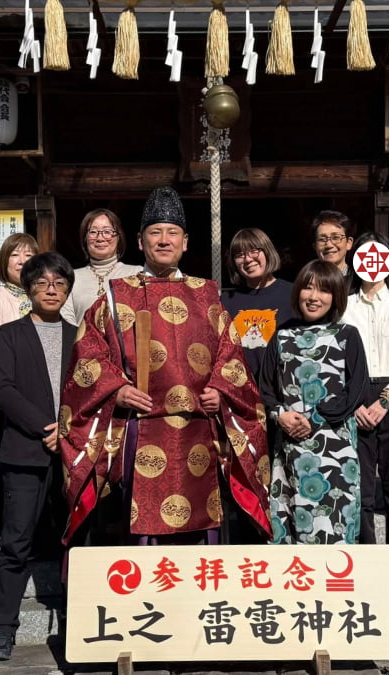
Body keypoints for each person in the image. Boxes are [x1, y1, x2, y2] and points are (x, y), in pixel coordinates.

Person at [58, 186, 271, 549]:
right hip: (141, 429)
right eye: (155, 232)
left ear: (185, 242)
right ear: (140, 242)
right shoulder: (115, 294)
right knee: (142, 525)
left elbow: (230, 353)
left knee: (204, 523)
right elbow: (89, 354)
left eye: (172, 233)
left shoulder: (206, 293)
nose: (163, 240)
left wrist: (220, 391)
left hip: (199, 428)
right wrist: (117, 389)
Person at [0, 252, 77, 661]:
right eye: (42, 283)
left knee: (78, 541)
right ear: (29, 288)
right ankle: (1, 629)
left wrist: (69, 432)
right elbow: (3, 389)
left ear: (68, 289)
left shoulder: (82, 336)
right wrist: (47, 428)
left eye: (59, 282)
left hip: (75, 453)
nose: (51, 289)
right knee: (15, 543)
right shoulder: (9, 335)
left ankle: (83, 620)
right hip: (25, 452)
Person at [258, 260, 368, 545]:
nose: (314, 297)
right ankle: (298, 587)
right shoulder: (282, 335)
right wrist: (279, 415)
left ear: (336, 297)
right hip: (290, 444)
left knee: (334, 519)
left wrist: (315, 419)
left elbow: (356, 389)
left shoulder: (346, 335)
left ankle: (334, 586)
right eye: (308, 288)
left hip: (335, 444)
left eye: (324, 290)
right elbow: (265, 387)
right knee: (292, 514)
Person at [341, 231, 389, 602]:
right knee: (360, 489)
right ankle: (369, 563)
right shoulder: (343, 304)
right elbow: (339, 356)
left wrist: (387, 399)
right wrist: (354, 402)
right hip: (355, 399)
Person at [0, 232, 39, 535]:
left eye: (29, 254)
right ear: (5, 260)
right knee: (3, 473)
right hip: (2, 401)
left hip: (42, 402)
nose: (23, 260)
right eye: (16, 254)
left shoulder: (48, 297)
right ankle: (2, 538)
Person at [221, 228, 295, 377]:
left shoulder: (294, 294)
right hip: (242, 392)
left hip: (284, 390)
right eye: (240, 255)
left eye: (254, 251)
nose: (248, 259)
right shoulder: (226, 301)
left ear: (267, 251)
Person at [62, 208, 142, 327]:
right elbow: (67, 323)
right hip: (82, 344)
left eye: (107, 231)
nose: (100, 238)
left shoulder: (137, 273)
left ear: (118, 237)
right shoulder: (70, 277)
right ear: (85, 238)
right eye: (93, 232)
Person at [312, 210, 355, 277]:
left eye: (335, 238)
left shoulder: (359, 282)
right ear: (314, 246)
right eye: (322, 239)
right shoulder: (308, 282)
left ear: (348, 243)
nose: (329, 245)